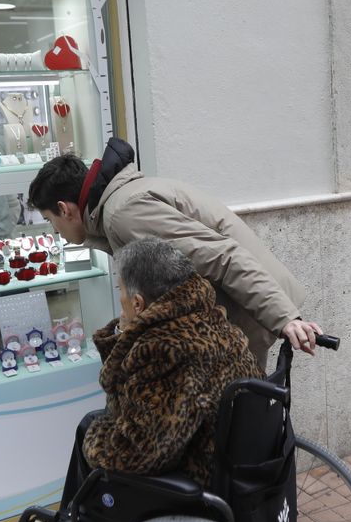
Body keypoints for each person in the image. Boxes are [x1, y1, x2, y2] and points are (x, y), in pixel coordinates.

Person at [28, 138, 322, 364]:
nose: (55, 231)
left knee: (242, 424)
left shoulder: (123, 214)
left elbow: (222, 257)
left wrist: (284, 318)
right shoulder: (116, 206)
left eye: (49, 221)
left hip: (247, 313)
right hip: (239, 313)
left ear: (64, 210)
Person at [78, 237, 260, 485]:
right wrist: (125, 333)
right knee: (92, 421)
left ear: (138, 303)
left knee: (87, 429)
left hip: (196, 474)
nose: (120, 297)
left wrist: (94, 438)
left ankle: (75, 518)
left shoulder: (162, 350)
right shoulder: (209, 318)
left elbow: (134, 454)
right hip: (229, 455)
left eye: (119, 290)